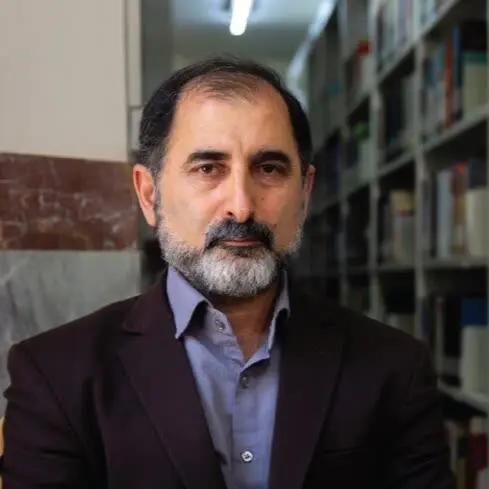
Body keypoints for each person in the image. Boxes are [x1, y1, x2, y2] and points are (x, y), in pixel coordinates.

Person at [1, 57, 453, 489]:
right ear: (148, 194)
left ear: (305, 192)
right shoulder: (54, 378)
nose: (241, 205)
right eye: (208, 168)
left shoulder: (395, 369)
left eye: (269, 168)